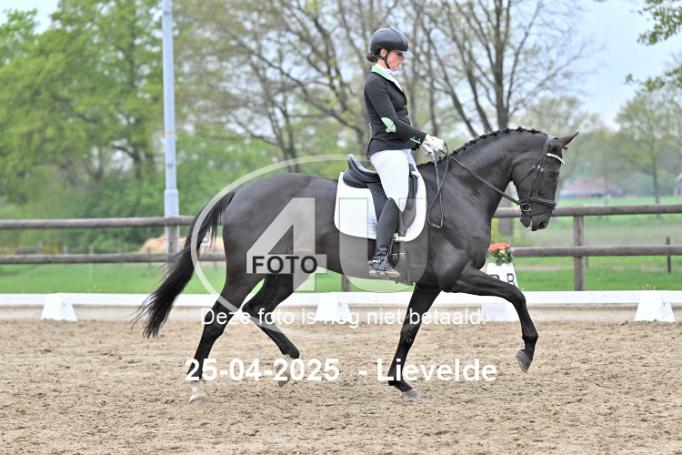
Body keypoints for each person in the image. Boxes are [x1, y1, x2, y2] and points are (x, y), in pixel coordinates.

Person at [363, 27, 445, 279]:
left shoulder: (388, 79)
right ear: (383, 52)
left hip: (399, 148)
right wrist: (424, 137)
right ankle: (379, 258)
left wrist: (418, 144)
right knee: (398, 195)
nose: (402, 59)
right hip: (386, 149)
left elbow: (400, 122)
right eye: (399, 54)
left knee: (420, 191)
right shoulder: (375, 82)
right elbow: (391, 124)